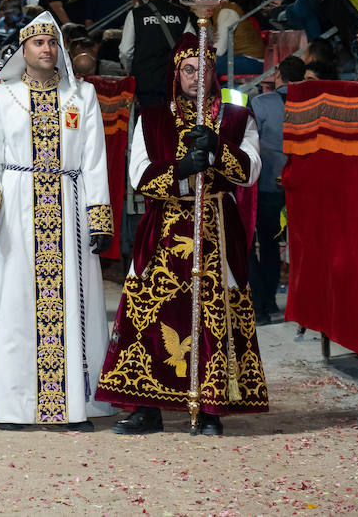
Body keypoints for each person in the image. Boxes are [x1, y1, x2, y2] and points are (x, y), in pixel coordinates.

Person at [96, 35, 266, 436]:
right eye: (188, 69)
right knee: (151, 317)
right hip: (165, 228)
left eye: (203, 69)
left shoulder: (238, 118)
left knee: (214, 315)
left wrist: (220, 148)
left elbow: (252, 169)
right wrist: (183, 168)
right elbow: (140, 176)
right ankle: (146, 407)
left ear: (213, 73)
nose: (196, 77)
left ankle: (210, 408)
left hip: (218, 231)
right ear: (177, 73)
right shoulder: (152, 118)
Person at [0, 12, 115, 429]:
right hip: (17, 212)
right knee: (15, 307)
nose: (47, 49)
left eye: (52, 43)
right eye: (38, 43)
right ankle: (13, 407)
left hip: (69, 212)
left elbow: (94, 162)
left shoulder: (81, 97)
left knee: (75, 303)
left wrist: (98, 218)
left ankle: (74, 405)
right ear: (23, 50)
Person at [249, 56, 303, 324]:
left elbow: (250, 142)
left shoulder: (260, 103)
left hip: (270, 183)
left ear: (279, 75)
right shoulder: (311, 104)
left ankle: (266, 301)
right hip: (303, 186)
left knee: (268, 244)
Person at [120, 0, 190, 107]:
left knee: (150, 123)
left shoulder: (135, 15)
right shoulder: (181, 14)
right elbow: (190, 47)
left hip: (146, 82)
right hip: (175, 82)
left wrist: (130, 71)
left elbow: (125, 51)